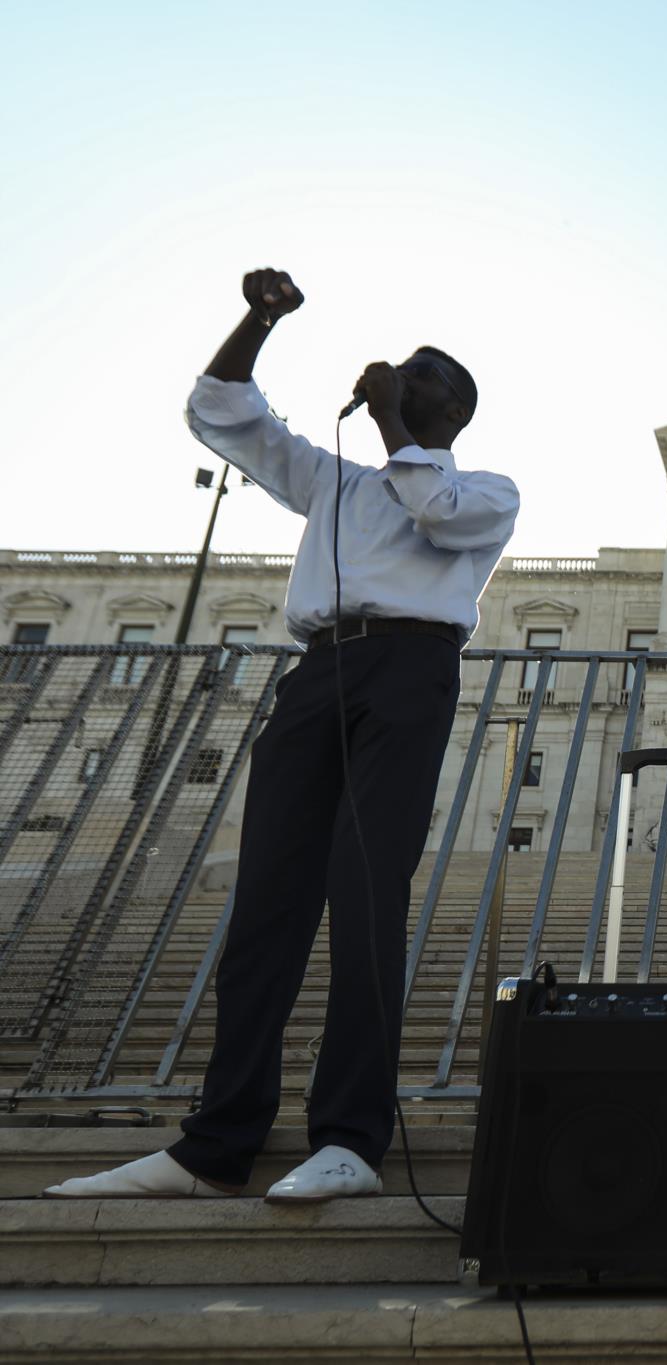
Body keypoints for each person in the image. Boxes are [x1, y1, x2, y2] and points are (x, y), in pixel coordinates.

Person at [46, 268, 519, 1202]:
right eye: (398, 369)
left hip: (410, 672)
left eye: (420, 373)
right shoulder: (333, 480)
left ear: (453, 408)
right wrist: (258, 320)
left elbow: (433, 506)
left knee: (367, 890)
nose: (396, 372)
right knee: (266, 905)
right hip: (318, 674)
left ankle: (350, 1134)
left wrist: (391, 421)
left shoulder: (490, 490)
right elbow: (224, 415)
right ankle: (214, 1143)